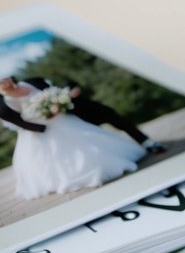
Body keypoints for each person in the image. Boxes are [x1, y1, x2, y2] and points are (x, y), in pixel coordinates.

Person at [0, 77, 145, 200]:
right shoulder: (5, 102)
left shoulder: (31, 82)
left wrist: (58, 103)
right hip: (44, 128)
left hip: (65, 118)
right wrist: (46, 115)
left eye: (4, 78)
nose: (4, 81)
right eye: (1, 82)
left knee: (89, 136)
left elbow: (55, 91)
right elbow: (21, 121)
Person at [19, 76, 166, 154]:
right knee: (97, 138)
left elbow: (70, 83)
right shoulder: (25, 96)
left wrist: (74, 89)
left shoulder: (37, 79)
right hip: (72, 117)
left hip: (88, 105)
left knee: (121, 121)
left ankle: (148, 143)